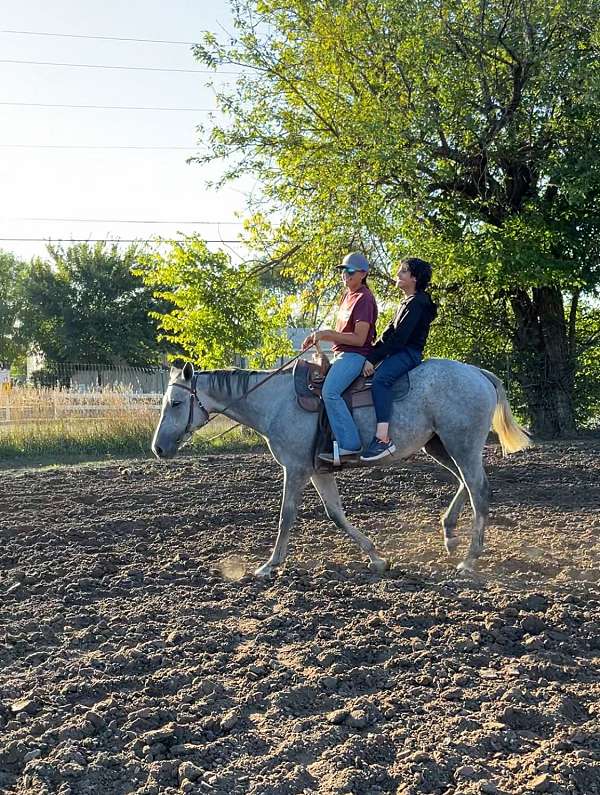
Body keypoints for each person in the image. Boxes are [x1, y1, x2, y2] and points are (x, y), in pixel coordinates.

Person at [301, 251, 378, 462]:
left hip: (354, 355)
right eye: (343, 271)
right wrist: (320, 338)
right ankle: (325, 441)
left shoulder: (364, 299)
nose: (345, 275)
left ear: (363, 273)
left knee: (330, 392)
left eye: (350, 271)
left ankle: (350, 445)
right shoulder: (346, 296)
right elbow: (343, 333)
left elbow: (360, 338)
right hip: (341, 354)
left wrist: (325, 334)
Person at [360, 257, 437, 462]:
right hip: (399, 351)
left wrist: (375, 359)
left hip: (408, 353)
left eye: (403, 271)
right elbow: (388, 334)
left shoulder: (418, 303)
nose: (398, 274)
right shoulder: (406, 302)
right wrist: (370, 356)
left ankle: (383, 439)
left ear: (414, 278)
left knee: (381, 381)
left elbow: (400, 339)